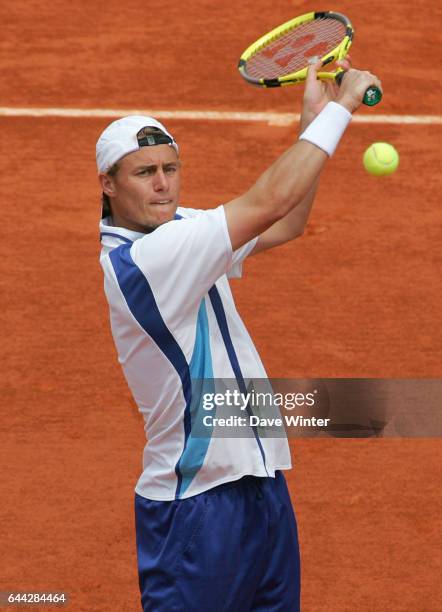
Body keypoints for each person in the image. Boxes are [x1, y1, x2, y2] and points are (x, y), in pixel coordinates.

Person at [96, 61, 381, 611]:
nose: (163, 183)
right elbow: (267, 201)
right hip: (196, 512)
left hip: (262, 489)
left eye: (170, 168)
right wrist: (341, 109)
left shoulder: (181, 231)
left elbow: (286, 221)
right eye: (144, 172)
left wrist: (311, 126)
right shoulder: (147, 259)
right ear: (108, 184)